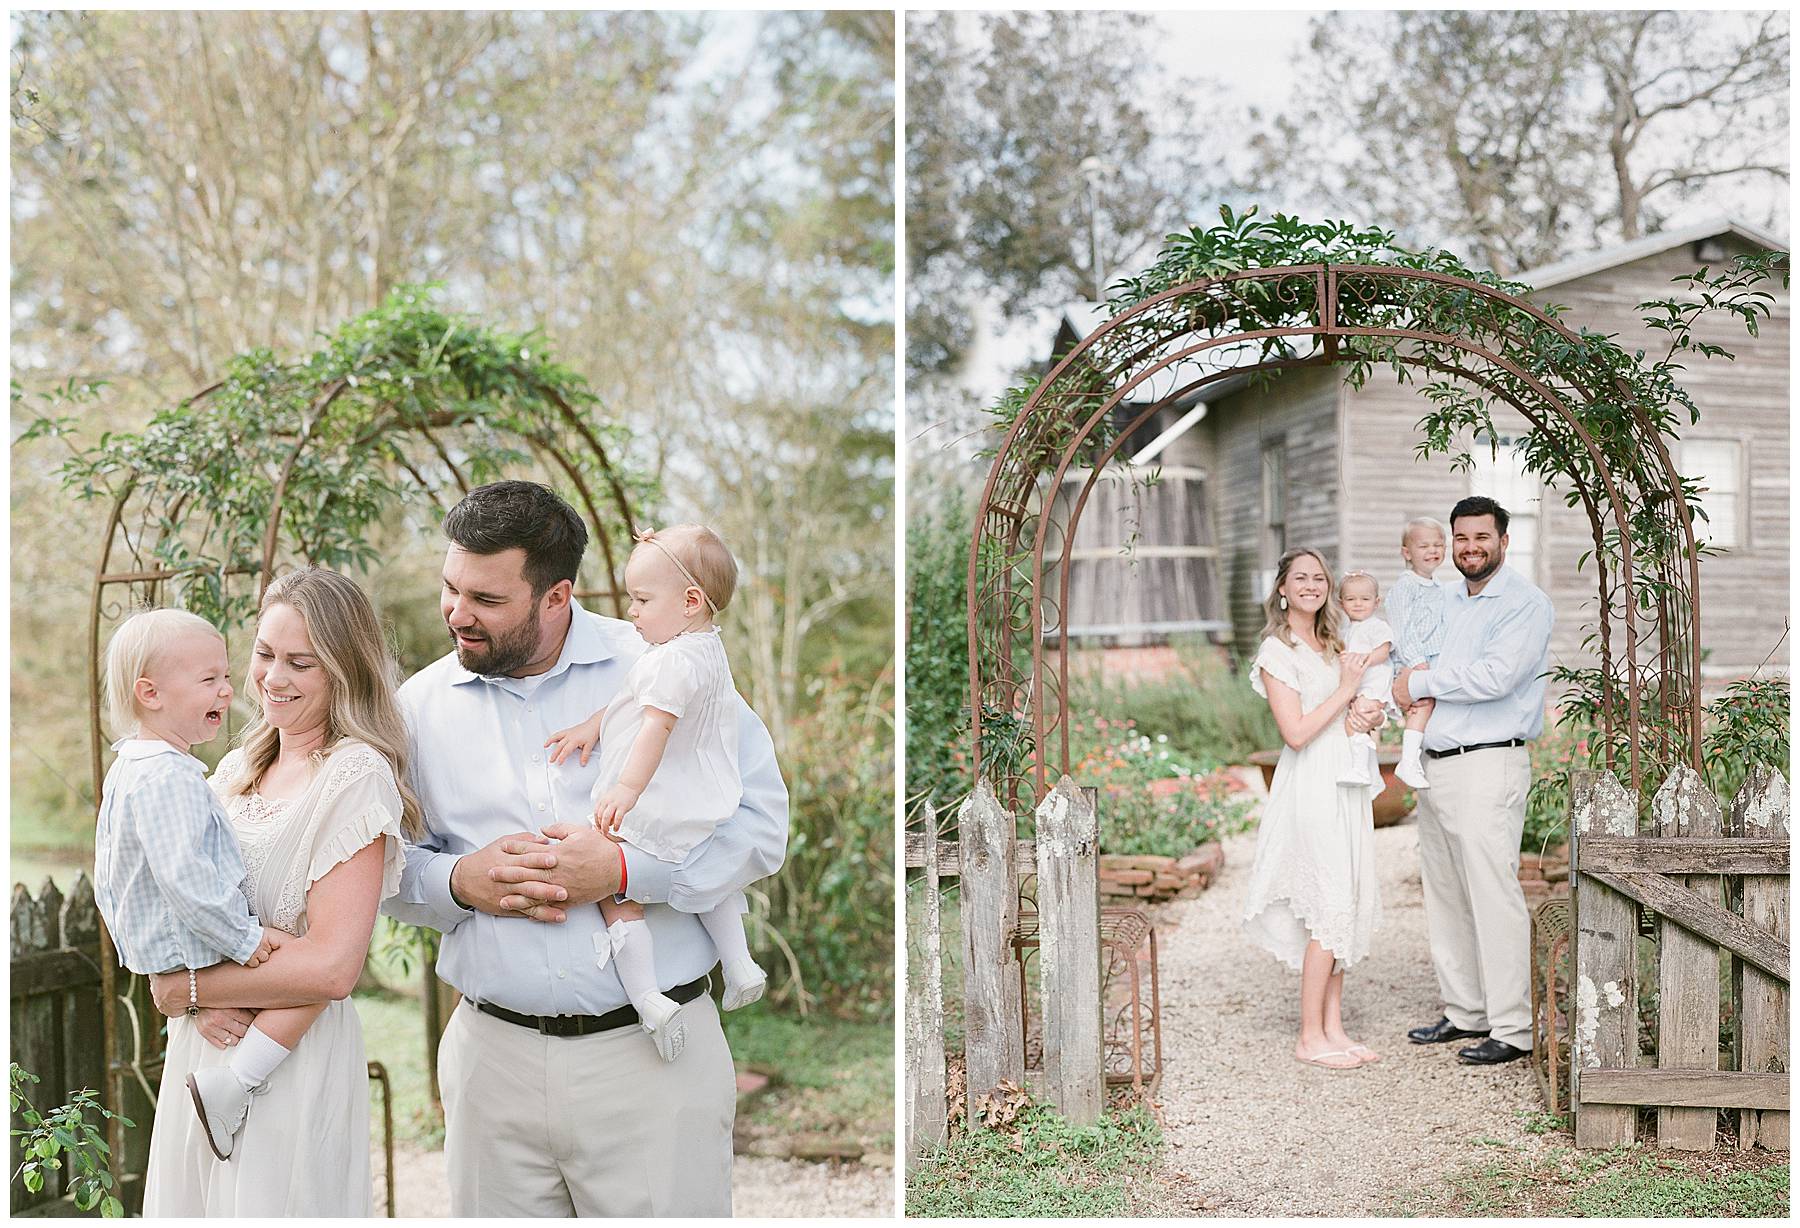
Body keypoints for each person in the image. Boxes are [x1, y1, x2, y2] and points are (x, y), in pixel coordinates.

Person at [382, 480, 788, 1217]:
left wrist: (629, 870)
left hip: (653, 1064)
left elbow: (761, 825)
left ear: (557, 596)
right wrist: (457, 880)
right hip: (489, 1065)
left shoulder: (667, 660)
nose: (457, 615)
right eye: (451, 589)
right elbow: (381, 868)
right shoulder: (418, 707)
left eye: (488, 601)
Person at [142, 568, 416, 1214]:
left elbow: (331, 965)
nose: (273, 678)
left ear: (344, 671)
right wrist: (187, 1000)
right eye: (265, 655)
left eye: (301, 663)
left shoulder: (354, 777)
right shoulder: (234, 769)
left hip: (289, 1067)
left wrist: (186, 987)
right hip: (200, 1046)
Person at [93, 608, 327, 1164]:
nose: (227, 690)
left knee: (307, 973)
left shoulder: (131, 768)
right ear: (150, 693)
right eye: (208, 681)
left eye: (225, 676)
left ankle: (232, 1080)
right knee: (318, 970)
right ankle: (237, 1085)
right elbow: (187, 879)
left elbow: (111, 879)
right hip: (197, 942)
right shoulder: (168, 776)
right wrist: (243, 940)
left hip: (174, 952)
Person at [545, 524, 767, 1064]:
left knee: (614, 892)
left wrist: (625, 788)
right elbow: (631, 702)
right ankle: (739, 963)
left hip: (654, 804)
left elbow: (655, 726)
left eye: (642, 600)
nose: (632, 613)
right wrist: (593, 726)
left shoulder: (670, 659)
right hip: (701, 802)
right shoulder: (703, 650)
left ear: (691, 601)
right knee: (705, 874)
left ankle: (647, 997)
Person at [1392, 496, 1553, 1066]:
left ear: (1504, 542)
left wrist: (1421, 681)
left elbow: (1497, 676)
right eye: (1461, 538)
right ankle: (1466, 1011)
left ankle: (1513, 1027)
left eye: (1481, 537)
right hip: (1436, 763)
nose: (1469, 547)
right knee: (1447, 893)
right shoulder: (1447, 599)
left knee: (1492, 892)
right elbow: (1411, 662)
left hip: (1489, 762)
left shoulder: (1524, 603)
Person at [1242, 547, 1386, 1070]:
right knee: (1326, 905)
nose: (1311, 585)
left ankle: (1334, 1027)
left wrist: (1363, 714)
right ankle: (1308, 1036)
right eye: (1300, 577)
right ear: (1282, 588)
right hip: (1310, 787)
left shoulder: (1332, 643)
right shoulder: (1276, 653)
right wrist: (1347, 692)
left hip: (1344, 781)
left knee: (1343, 901)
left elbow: (1344, 712)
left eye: (1319, 577)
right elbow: (1297, 733)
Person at [1386, 517, 1451, 790]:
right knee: (1422, 706)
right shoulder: (1406, 585)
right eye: (1424, 545)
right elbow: (1401, 628)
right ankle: (1407, 761)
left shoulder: (1439, 587)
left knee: (1431, 708)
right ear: (1406, 553)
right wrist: (1417, 663)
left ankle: (1419, 758)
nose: (1432, 550)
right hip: (1413, 660)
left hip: (1434, 660)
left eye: (1438, 544)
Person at [1334, 571, 1395, 788]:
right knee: (1354, 723)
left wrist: (1365, 659)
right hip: (1359, 687)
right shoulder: (1346, 631)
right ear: (1341, 604)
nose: (1358, 604)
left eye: (1365, 599)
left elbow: (1384, 651)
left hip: (1374, 685)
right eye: (1351, 599)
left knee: (1354, 723)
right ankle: (1361, 767)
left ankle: (1361, 770)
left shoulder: (1376, 626)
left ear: (1376, 602)